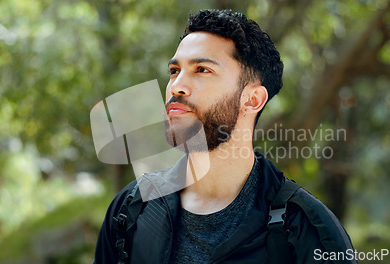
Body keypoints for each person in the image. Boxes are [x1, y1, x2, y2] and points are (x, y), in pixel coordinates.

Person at [94, 9, 356, 264]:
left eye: (202, 70)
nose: (176, 86)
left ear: (252, 99)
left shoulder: (308, 232)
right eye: (174, 71)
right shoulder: (131, 208)